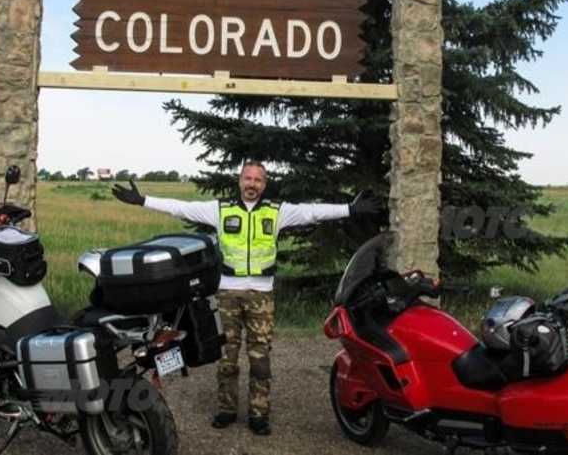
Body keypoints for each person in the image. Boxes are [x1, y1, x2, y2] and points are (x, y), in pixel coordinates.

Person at [112, 160, 384, 436]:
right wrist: (143, 200)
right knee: (227, 358)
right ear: (240, 181)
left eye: (258, 180)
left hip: (261, 296)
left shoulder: (277, 211)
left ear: (264, 184)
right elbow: (181, 207)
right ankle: (226, 409)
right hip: (226, 293)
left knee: (260, 358)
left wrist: (350, 209)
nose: (252, 184)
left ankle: (259, 413)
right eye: (248, 178)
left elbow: (312, 212)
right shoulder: (220, 210)